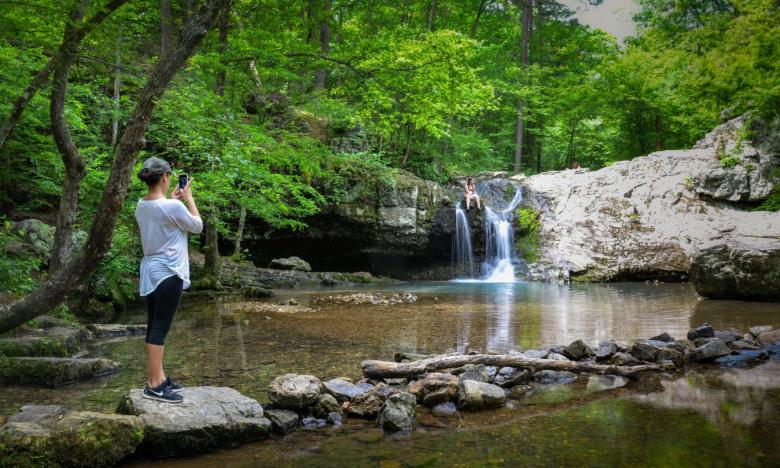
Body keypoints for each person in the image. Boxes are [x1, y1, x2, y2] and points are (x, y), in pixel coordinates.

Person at [134, 157, 202, 403]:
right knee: (160, 328)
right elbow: (197, 226)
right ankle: (153, 385)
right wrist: (189, 198)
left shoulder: (141, 205)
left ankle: (159, 377)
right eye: (169, 176)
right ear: (164, 177)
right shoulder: (172, 208)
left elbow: (160, 219)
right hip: (169, 272)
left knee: (154, 325)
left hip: (151, 271)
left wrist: (174, 201)